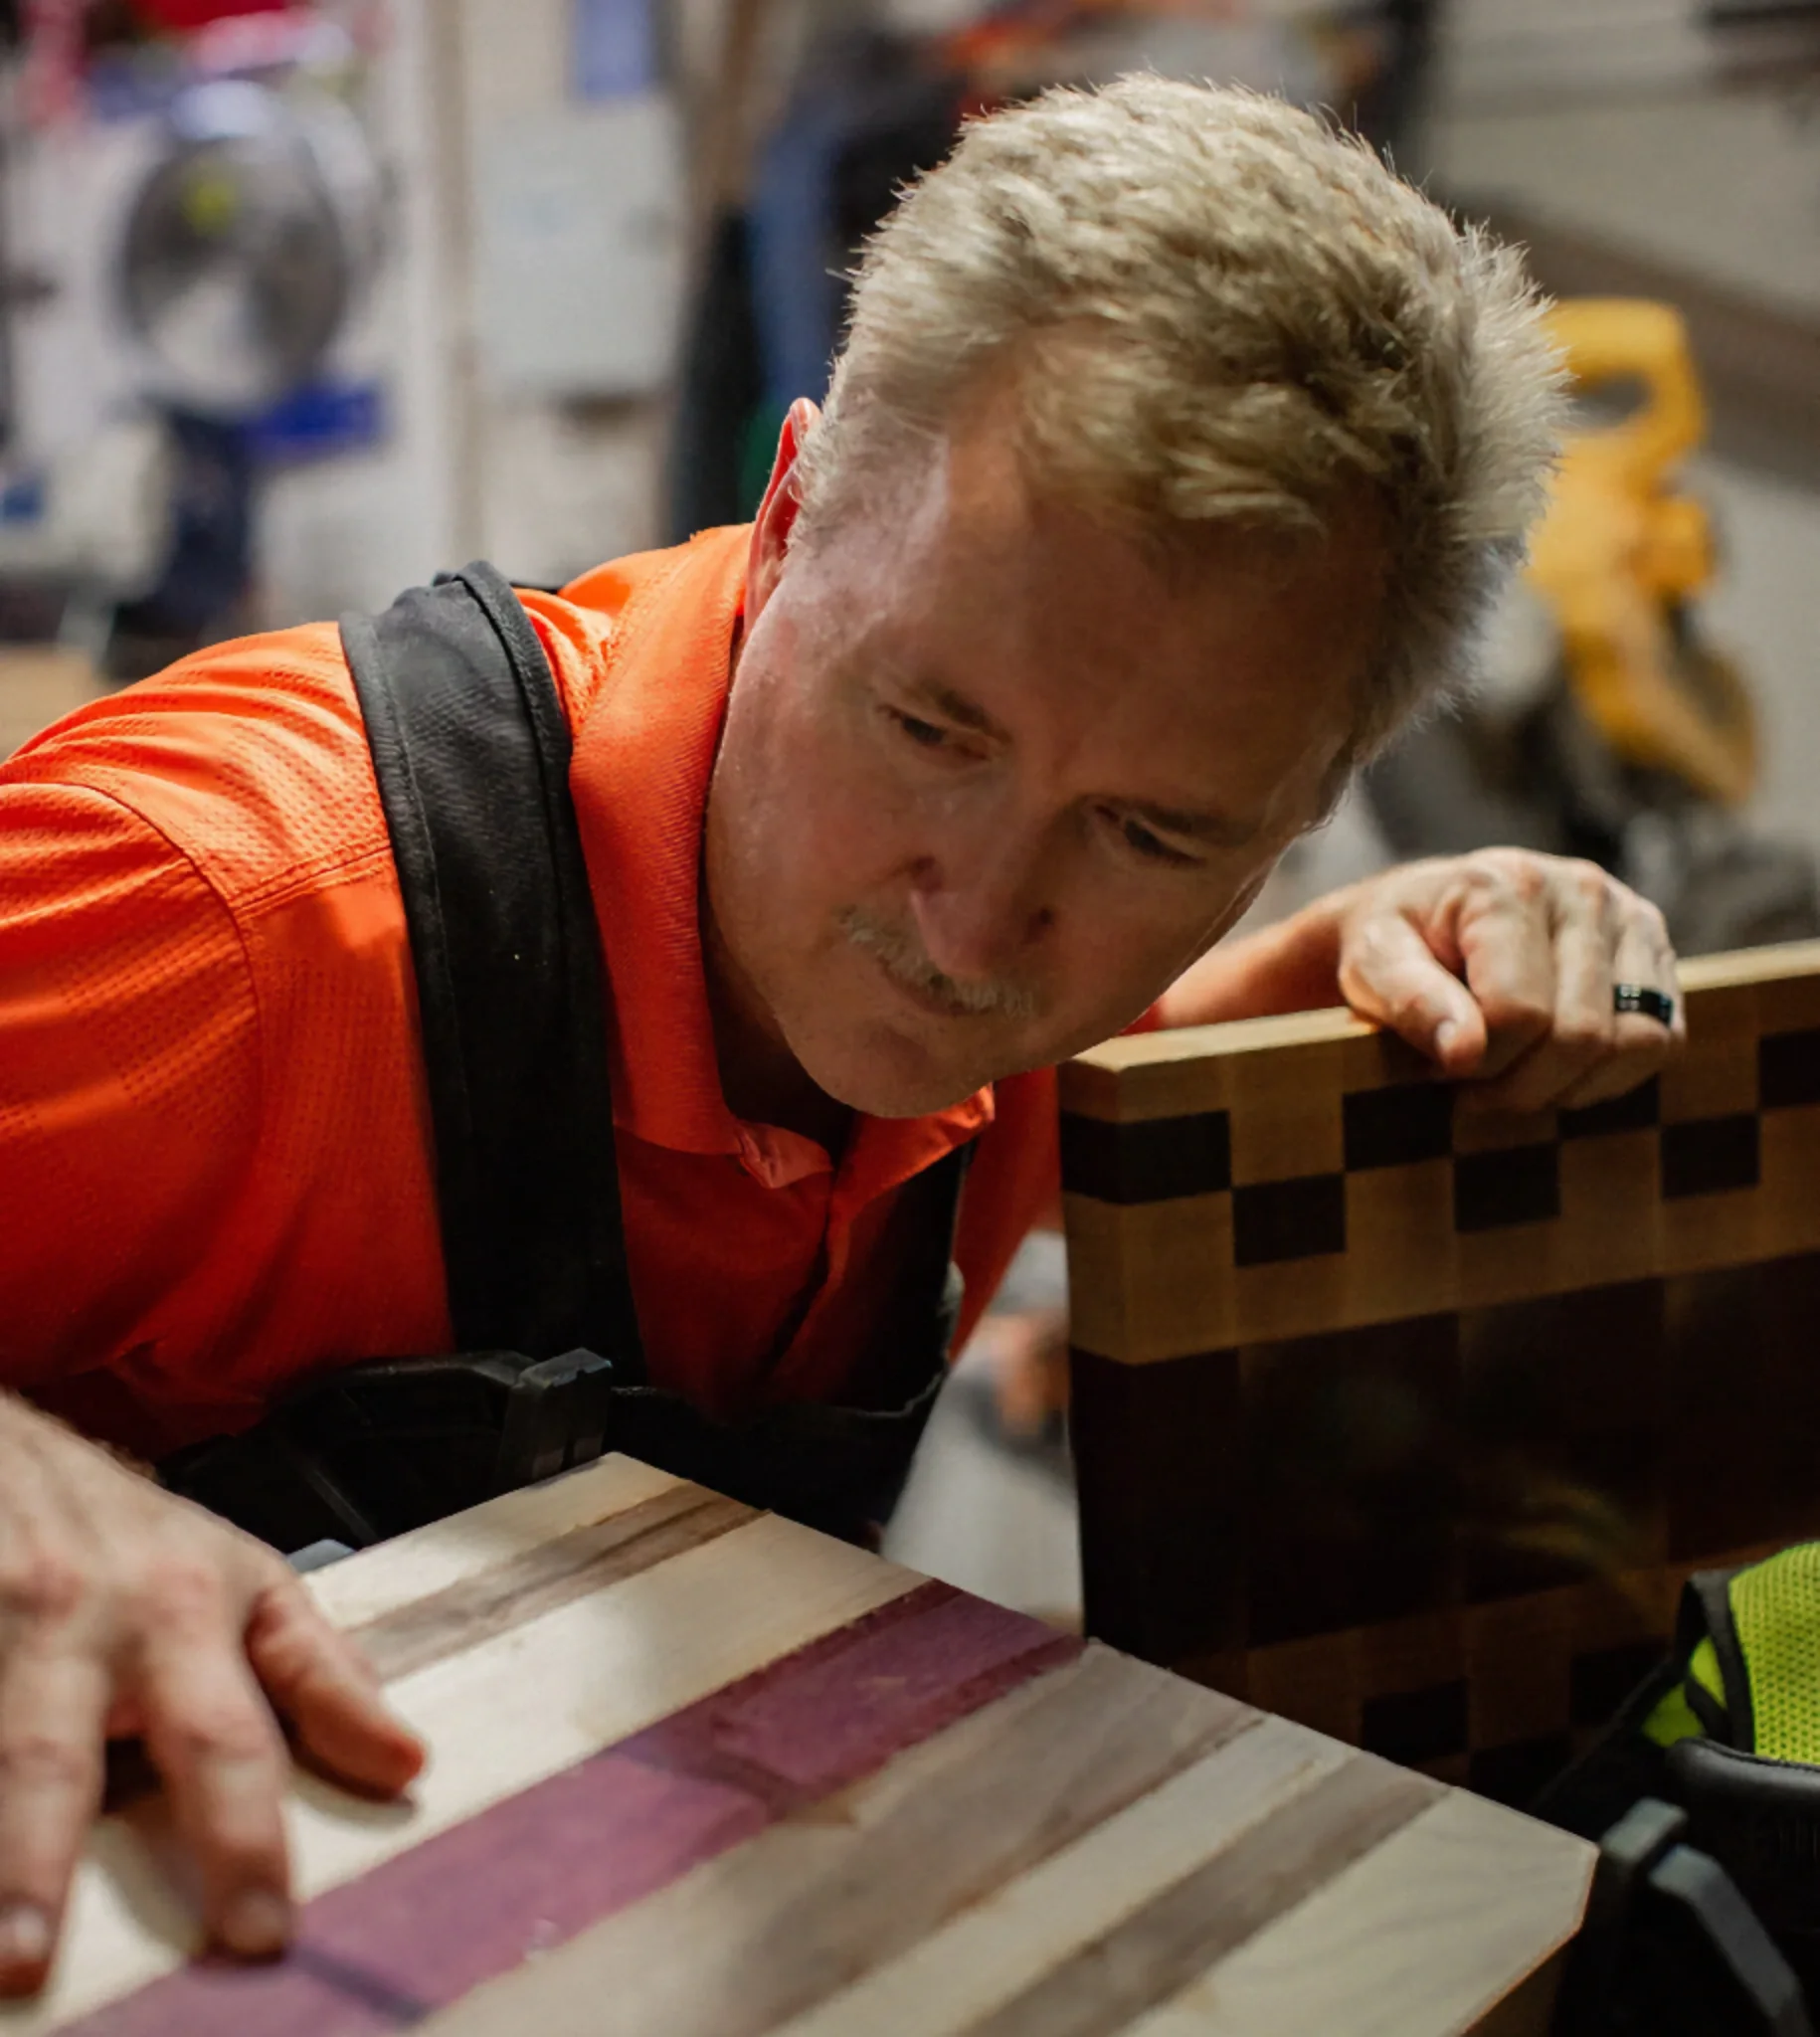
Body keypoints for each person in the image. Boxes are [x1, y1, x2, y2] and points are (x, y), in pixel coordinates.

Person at [0, 78, 1681, 1992]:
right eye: (929, 727)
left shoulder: (1016, 1004)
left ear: (1308, 797)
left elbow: (1053, 1073)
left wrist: (1363, 993)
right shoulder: (226, 909)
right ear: (791, 513)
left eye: (1151, 832)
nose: (974, 926)